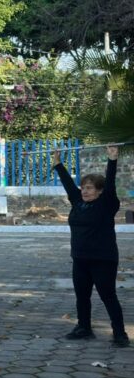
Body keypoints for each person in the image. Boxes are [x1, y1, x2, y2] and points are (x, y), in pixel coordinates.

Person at [52, 146, 129, 348]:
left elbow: (110, 183)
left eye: (89, 188)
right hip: (80, 258)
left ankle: (120, 333)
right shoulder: (78, 202)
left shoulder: (107, 204)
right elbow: (69, 185)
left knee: (108, 296)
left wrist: (112, 160)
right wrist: (58, 163)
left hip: (103, 259)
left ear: (100, 191)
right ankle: (84, 328)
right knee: (82, 296)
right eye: (84, 187)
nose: (84, 191)